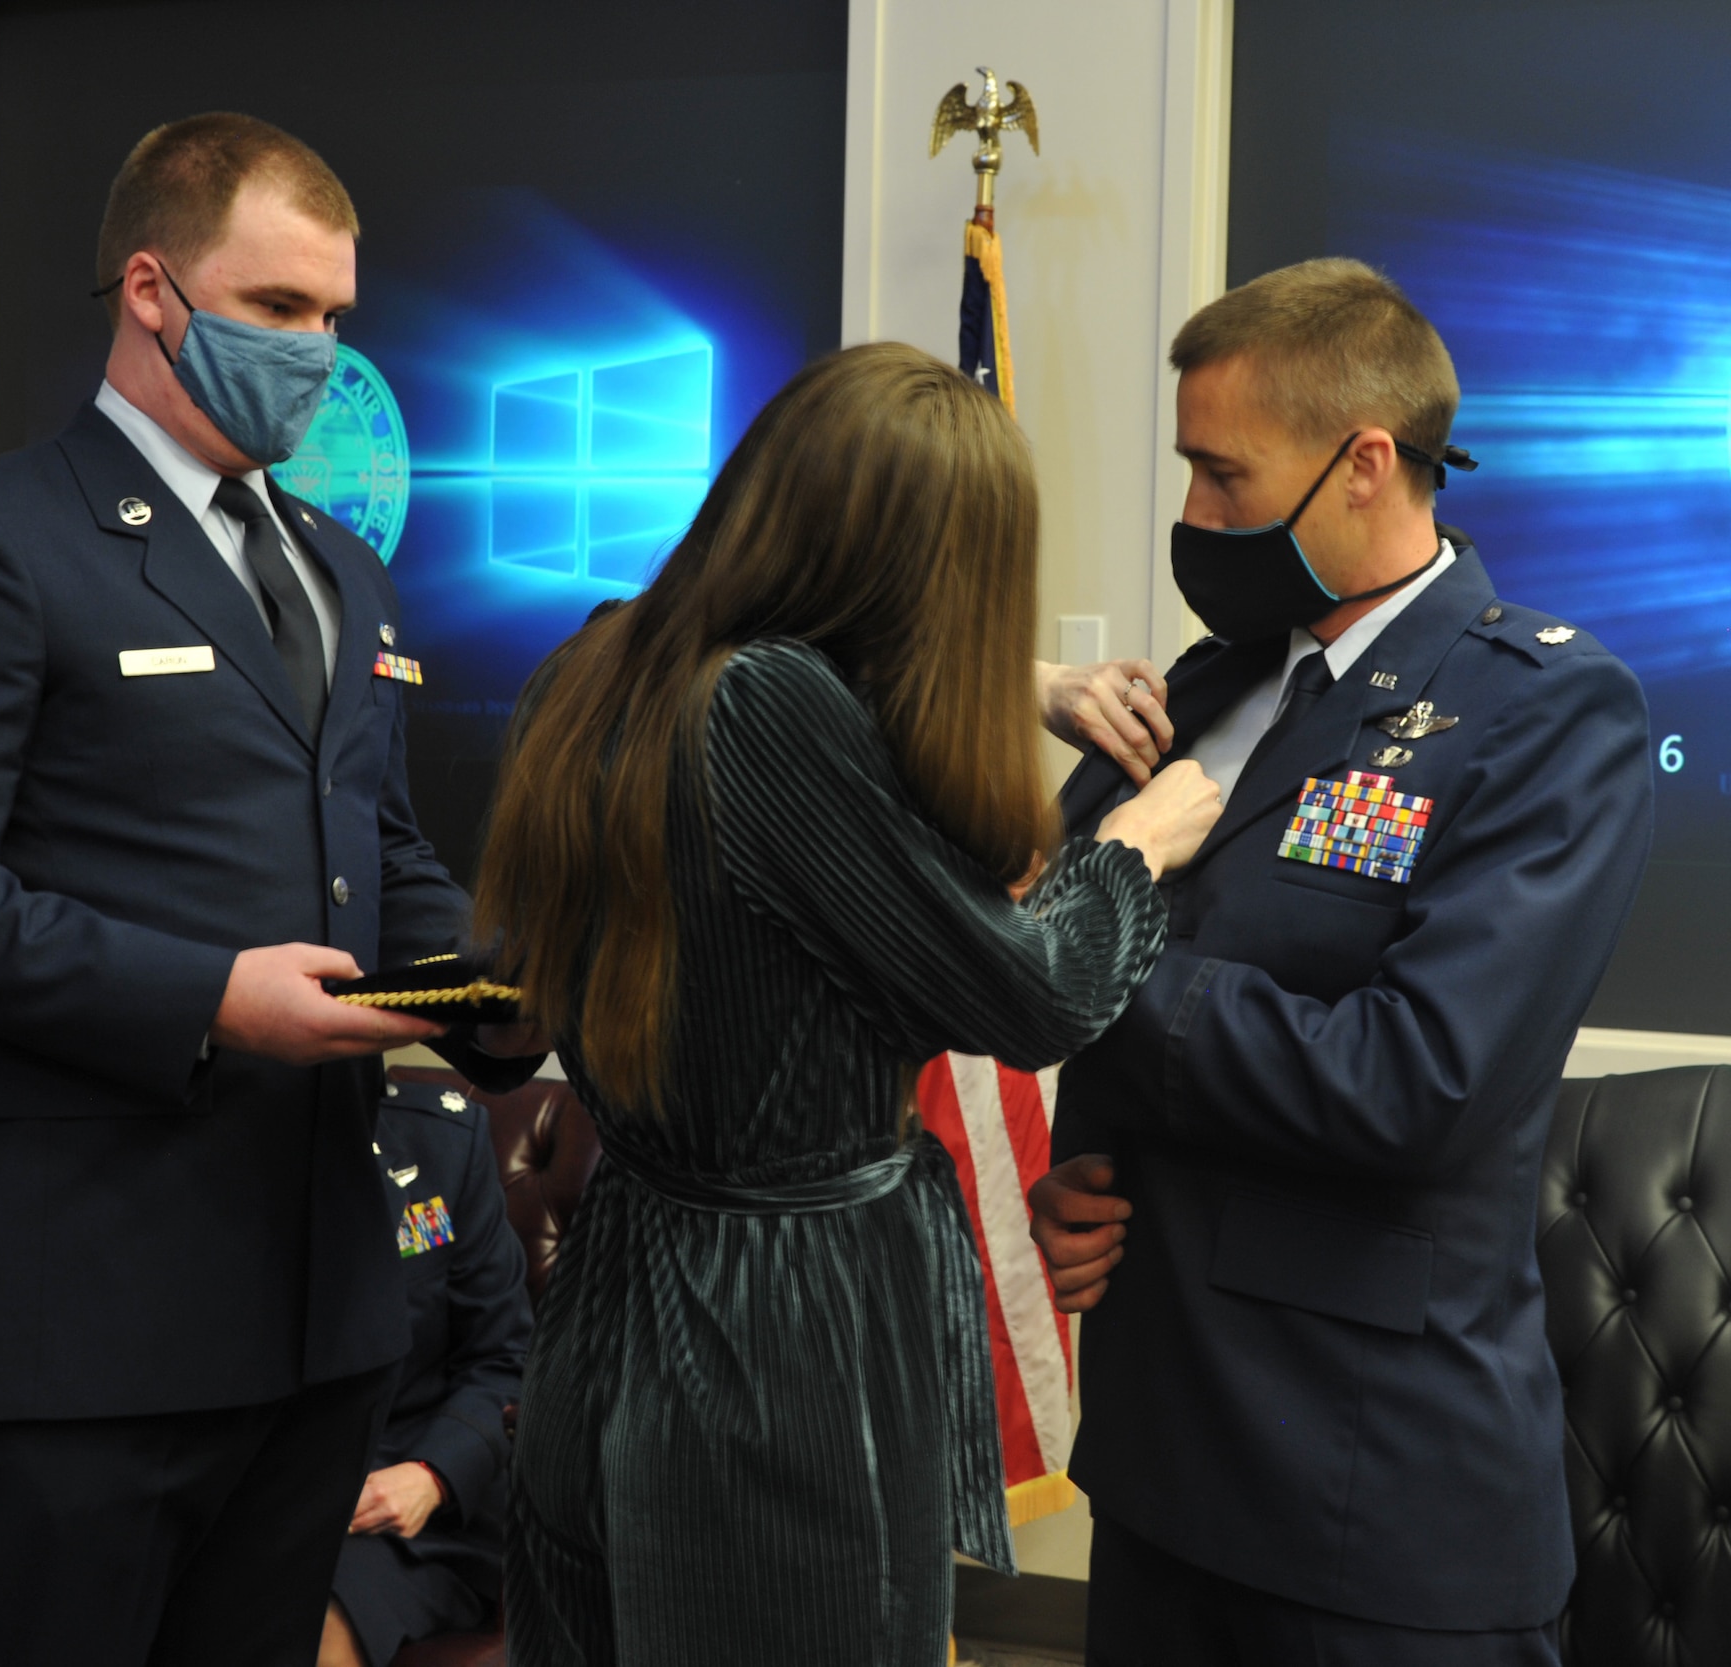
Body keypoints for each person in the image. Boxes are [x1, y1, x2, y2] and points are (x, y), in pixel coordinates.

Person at [0, 113, 540, 1667]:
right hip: (83, 1316)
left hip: (320, 1315)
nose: (322, 351)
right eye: (280, 309)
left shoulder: (342, 566)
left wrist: (501, 990)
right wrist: (207, 995)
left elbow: (377, 849)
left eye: (338, 315)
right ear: (152, 290)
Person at [472, 342, 1223, 1666]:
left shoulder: (599, 662)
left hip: (623, 1296)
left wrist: (1025, 686)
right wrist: (1137, 849)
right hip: (774, 1340)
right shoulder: (771, 709)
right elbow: (1036, 994)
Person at [1027, 258, 1655, 1667]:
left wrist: (1095, 971)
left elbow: (1411, 1080)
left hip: (1367, 1502)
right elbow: (1040, 931)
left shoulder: (1543, 713)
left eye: (1223, 474)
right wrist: (1083, 1168)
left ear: (1365, 462)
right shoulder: (1209, 686)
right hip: (1156, 1460)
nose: (1194, 516)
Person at [318, 1076, 532, 1667]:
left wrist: (434, 1473)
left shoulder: (441, 1139)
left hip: (413, 1499)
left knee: (316, 1624)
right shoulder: (206, 1149)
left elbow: (505, 1356)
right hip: (259, 1489)